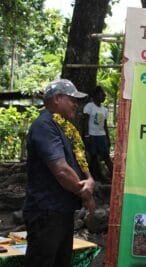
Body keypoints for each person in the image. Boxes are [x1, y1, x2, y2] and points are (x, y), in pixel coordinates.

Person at [24, 79, 96, 267]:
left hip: (61, 210)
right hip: (46, 211)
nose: (76, 104)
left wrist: (89, 180)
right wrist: (85, 193)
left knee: (60, 261)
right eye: (72, 99)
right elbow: (62, 171)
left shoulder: (64, 127)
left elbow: (76, 162)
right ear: (57, 99)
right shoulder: (44, 126)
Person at [83, 86, 113, 180]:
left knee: (106, 156)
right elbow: (85, 122)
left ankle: (113, 176)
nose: (104, 96)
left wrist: (107, 138)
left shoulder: (104, 110)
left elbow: (104, 125)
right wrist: (86, 135)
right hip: (92, 135)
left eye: (104, 95)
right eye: (102, 94)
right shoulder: (89, 106)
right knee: (93, 157)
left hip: (101, 135)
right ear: (95, 95)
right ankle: (96, 177)